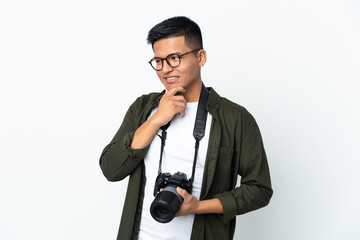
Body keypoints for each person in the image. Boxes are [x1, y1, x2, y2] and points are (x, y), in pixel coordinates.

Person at [99, 16, 273, 240]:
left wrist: (198, 207)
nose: (165, 69)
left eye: (174, 58)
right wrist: (156, 120)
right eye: (158, 61)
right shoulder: (143, 108)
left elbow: (260, 189)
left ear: (201, 57)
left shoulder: (236, 119)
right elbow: (111, 169)